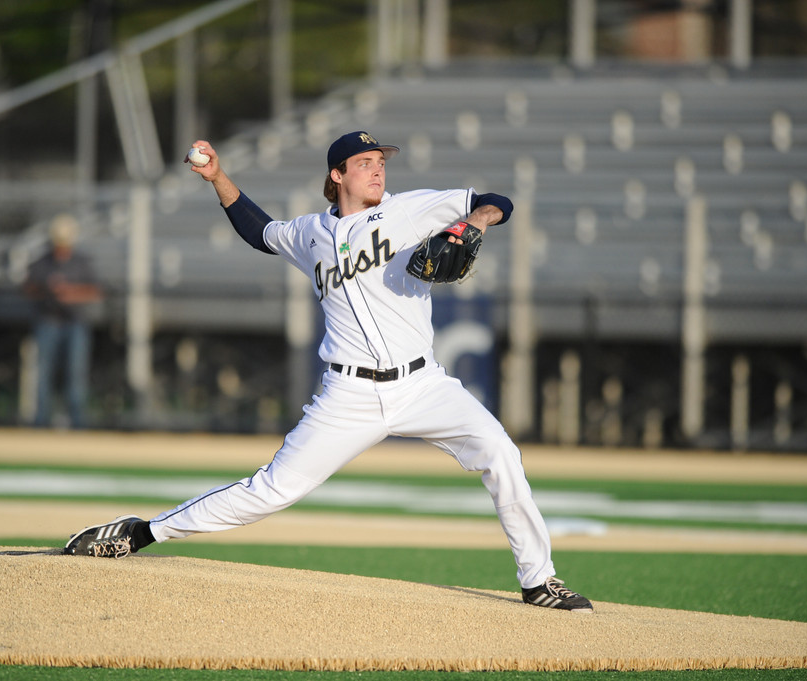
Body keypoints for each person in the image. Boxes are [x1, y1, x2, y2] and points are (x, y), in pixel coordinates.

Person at [64, 131, 593, 612]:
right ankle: (143, 532)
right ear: (337, 174)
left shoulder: (409, 210)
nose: (378, 169)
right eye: (365, 163)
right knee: (271, 490)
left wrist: (476, 221)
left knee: (500, 452)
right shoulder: (310, 233)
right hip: (348, 394)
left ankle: (538, 580)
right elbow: (258, 231)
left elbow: (497, 201)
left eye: (381, 161)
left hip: (422, 384)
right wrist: (218, 177)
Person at [23, 213, 102, 429]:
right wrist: (48, 290)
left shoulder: (81, 262)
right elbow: (28, 288)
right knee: (43, 373)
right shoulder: (42, 262)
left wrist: (71, 293)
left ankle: (77, 421)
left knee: (75, 373)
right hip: (48, 321)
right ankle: (41, 420)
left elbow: (95, 291)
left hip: (75, 322)